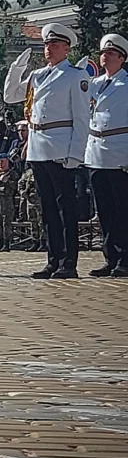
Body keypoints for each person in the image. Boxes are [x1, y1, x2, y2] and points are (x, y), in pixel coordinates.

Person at [4, 23, 91, 279]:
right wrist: (17, 68)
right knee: (48, 209)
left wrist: (76, 153)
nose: (48, 49)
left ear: (66, 48)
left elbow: (82, 118)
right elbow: (11, 95)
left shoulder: (75, 75)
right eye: (46, 44)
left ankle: (68, 263)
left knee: (66, 209)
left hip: (61, 147)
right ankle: (53, 260)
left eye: (54, 44)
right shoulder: (37, 75)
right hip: (38, 147)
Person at [86, 33, 128, 277]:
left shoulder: (126, 84)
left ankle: (125, 258)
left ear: (122, 58)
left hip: (120, 152)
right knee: (104, 210)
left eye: (111, 53)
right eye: (103, 53)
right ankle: (110, 257)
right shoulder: (94, 84)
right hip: (96, 153)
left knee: (122, 209)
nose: (105, 56)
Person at [0, 153, 17, 252]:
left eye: (4, 161)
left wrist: (6, 181)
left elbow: (15, 187)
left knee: (6, 222)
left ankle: (6, 243)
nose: (1, 164)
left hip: (7, 200)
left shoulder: (12, 174)